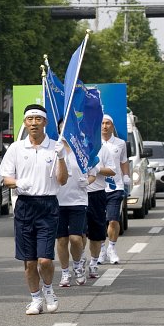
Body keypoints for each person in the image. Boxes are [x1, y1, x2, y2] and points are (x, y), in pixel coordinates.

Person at [0, 104, 68, 315]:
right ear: (25, 122)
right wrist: (18, 183)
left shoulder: (55, 148)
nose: (34, 123)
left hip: (48, 205)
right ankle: (35, 299)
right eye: (30, 119)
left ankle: (48, 290)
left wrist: (62, 157)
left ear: (45, 122)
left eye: (38, 119)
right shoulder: (16, 149)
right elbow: (5, 178)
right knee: (29, 261)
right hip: (25, 206)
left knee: (45, 259)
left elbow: (62, 181)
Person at [54, 123, 97, 287]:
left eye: (68, 126)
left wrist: (87, 181)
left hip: (78, 200)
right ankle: (65, 273)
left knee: (76, 238)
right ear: (58, 129)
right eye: (62, 127)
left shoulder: (83, 149)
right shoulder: (55, 148)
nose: (64, 129)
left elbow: (93, 173)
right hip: (58, 200)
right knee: (62, 240)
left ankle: (78, 265)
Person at [83, 134, 116, 279]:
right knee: (79, 233)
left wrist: (96, 168)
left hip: (96, 194)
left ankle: (94, 263)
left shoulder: (102, 149)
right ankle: (79, 261)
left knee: (96, 234)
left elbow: (112, 170)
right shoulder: (73, 147)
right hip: (78, 195)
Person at [99, 114, 130, 265]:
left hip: (115, 186)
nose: (105, 126)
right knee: (98, 221)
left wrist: (126, 176)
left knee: (113, 220)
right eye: (102, 123)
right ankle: (101, 249)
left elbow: (124, 161)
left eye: (108, 123)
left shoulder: (120, 143)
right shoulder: (93, 143)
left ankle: (112, 247)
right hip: (97, 187)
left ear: (112, 126)